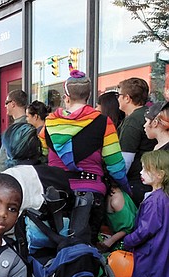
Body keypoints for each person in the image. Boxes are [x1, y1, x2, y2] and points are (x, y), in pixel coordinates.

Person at [40, 70, 130, 245]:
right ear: (89, 96)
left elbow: (43, 153)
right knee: (86, 249)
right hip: (91, 194)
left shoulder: (49, 123)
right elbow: (115, 164)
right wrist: (126, 188)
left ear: (67, 96)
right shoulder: (104, 123)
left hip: (55, 194)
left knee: (55, 247)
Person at [123, 150, 169, 277]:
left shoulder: (155, 200)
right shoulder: (163, 197)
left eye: (146, 169)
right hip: (160, 250)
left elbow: (146, 229)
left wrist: (129, 240)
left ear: (160, 175)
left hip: (150, 252)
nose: (141, 172)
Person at [117, 77, 157, 205]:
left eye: (119, 95)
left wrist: (117, 183)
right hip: (153, 180)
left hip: (137, 183)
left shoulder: (133, 120)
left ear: (127, 98)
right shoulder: (150, 114)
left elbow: (126, 159)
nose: (118, 98)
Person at [0, 89, 28, 172]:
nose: (5, 106)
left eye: (6, 102)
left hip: (12, 176)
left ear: (13, 104)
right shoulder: (22, 124)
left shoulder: (24, 127)